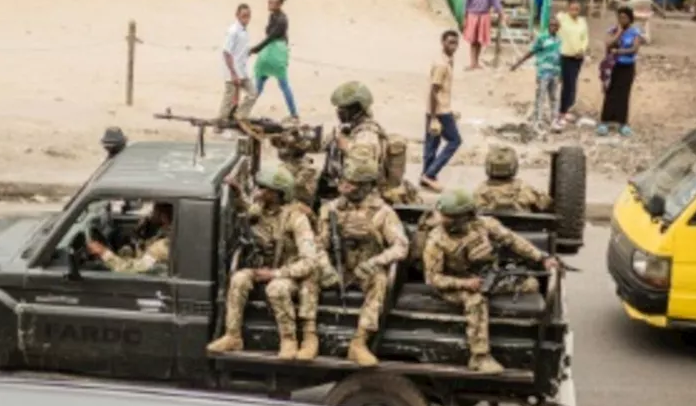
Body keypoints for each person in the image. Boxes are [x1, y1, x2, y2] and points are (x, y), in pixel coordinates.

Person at [422, 189, 559, 373]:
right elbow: (433, 278)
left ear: (465, 216)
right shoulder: (437, 240)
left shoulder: (483, 225)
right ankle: (479, 357)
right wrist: (465, 284)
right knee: (475, 300)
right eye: (444, 215)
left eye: (450, 216)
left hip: (484, 276)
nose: (444, 220)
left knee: (531, 284)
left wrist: (542, 258)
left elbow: (513, 241)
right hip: (452, 283)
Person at [208, 166, 320, 360]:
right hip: (264, 268)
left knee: (276, 288)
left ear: (277, 194)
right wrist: (237, 192)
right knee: (238, 279)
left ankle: (288, 340)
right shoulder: (261, 208)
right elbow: (247, 208)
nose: (258, 191)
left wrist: (276, 274)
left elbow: (310, 261)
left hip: (288, 273)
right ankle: (233, 336)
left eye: (263, 188)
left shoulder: (296, 218)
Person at [317, 158, 409, 366]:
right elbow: (318, 245)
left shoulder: (383, 212)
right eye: (345, 180)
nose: (345, 186)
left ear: (367, 186)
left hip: (365, 269)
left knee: (379, 281)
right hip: (336, 268)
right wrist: (325, 267)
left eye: (353, 182)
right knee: (307, 276)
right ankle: (307, 336)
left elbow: (401, 246)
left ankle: (359, 342)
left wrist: (375, 262)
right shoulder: (330, 209)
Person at [421, 30, 461, 193]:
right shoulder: (442, 65)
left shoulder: (448, 61)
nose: (453, 46)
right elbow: (434, 90)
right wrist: (434, 117)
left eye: (455, 43)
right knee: (455, 141)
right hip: (440, 111)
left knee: (432, 144)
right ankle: (430, 174)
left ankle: (425, 176)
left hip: (437, 109)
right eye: (450, 42)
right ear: (442, 42)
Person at [86, 203, 172, 274]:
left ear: (163, 217)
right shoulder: (164, 232)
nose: (150, 214)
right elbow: (144, 248)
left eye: (154, 211)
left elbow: (134, 271)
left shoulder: (162, 247)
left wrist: (104, 253)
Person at [510, 16, 563, 130]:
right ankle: (538, 121)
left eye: (555, 25)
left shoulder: (559, 40)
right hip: (544, 72)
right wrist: (518, 63)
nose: (553, 27)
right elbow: (531, 52)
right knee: (541, 96)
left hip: (555, 72)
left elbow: (559, 58)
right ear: (548, 26)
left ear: (559, 28)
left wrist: (561, 74)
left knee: (554, 97)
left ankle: (554, 121)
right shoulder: (542, 38)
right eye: (551, 25)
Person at [251, 0, 298, 119]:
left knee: (261, 83)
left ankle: (245, 109)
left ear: (279, 5)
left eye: (272, 2)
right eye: (269, 2)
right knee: (281, 84)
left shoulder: (281, 19)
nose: (269, 4)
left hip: (273, 52)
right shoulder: (274, 16)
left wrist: (256, 49)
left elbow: (271, 37)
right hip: (275, 51)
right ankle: (294, 114)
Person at [597, 7, 642, 137]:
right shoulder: (613, 30)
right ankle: (605, 121)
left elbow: (634, 49)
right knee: (610, 92)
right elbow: (608, 44)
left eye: (625, 17)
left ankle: (622, 123)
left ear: (630, 19)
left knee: (624, 94)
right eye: (620, 17)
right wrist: (618, 33)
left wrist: (619, 51)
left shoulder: (635, 32)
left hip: (627, 67)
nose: (622, 20)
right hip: (613, 66)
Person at [473, 145, 552, 212]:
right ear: (514, 166)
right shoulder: (524, 188)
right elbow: (546, 205)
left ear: (488, 166)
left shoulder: (481, 190)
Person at [218, 3, 256, 121]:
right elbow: (226, 52)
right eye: (244, 16)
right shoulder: (233, 31)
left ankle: (239, 116)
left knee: (252, 94)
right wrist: (233, 73)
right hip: (232, 71)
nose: (246, 19)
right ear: (237, 15)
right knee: (229, 98)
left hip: (242, 71)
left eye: (248, 16)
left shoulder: (244, 31)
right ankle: (220, 123)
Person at [556, 0, 589, 124]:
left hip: (578, 57)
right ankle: (562, 111)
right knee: (567, 84)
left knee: (573, 83)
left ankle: (568, 108)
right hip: (565, 55)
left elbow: (585, 38)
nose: (574, 11)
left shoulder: (582, 22)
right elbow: (555, 21)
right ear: (568, 8)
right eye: (572, 9)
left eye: (577, 9)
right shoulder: (563, 19)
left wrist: (582, 49)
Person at [462, 0, 503, 69]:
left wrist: (501, 12)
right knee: (473, 40)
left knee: (480, 40)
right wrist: (465, 17)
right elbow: (466, 2)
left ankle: (477, 62)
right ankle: (472, 62)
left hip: (484, 16)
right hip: (473, 15)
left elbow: (495, 1)